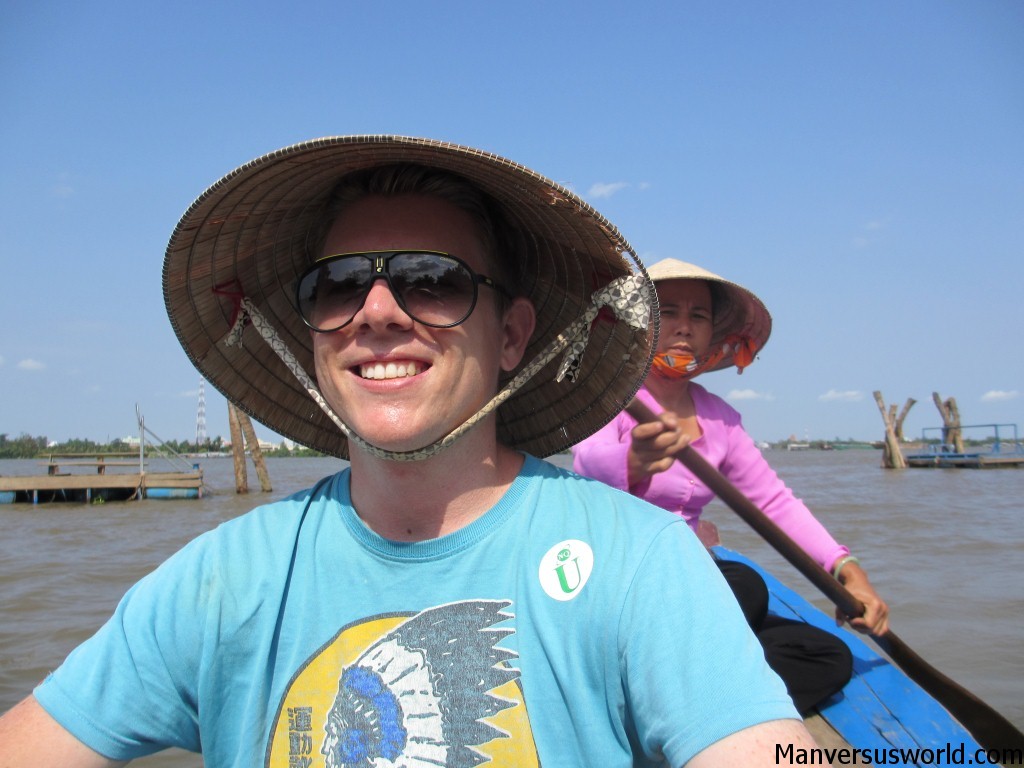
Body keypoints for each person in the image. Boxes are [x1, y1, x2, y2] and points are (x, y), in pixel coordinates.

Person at [0, 137, 817, 767]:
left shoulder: (642, 567)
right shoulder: (225, 579)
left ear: (514, 337)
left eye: (433, 279)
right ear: (313, 333)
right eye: (341, 283)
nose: (379, 311)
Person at [572, 258, 890, 715]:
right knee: (744, 586)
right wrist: (634, 460)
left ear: (712, 337)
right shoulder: (611, 396)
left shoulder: (719, 419)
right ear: (641, 326)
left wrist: (847, 570)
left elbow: (775, 504)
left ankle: (691, 712)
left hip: (692, 590)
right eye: (669, 313)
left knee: (827, 655)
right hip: (619, 582)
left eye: (697, 316)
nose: (683, 327)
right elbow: (585, 464)